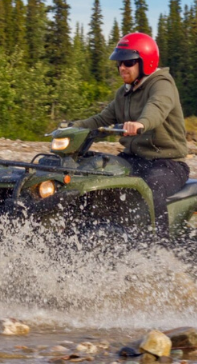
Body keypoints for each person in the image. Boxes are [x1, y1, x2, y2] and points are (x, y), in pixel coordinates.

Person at [72, 32, 190, 236]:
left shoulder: (162, 84)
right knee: (97, 176)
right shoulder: (124, 93)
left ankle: (159, 245)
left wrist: (141, 124)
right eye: (119, 63)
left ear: (146, 62)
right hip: (133, 159)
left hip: (168, 163)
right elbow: (101, 119)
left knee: (151, 188)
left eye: (128, 63)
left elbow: (157, 108)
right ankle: (98, 231)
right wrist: (73, 127)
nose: (122, 68)